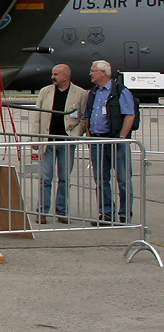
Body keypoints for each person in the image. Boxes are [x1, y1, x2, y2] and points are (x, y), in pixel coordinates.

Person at [30, 65, 87, 223]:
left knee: (64, 178)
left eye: (56, 74)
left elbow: (83, 118)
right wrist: (35, 139)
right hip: (48, 141)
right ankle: (42, 211)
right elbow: (37, 116)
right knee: (45, 177)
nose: (52, 77)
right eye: (52, 73)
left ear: (66, 76)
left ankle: (62, 211)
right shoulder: (45, 92)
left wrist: (75, 134)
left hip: (66, 142)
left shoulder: (81, 94)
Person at [84, 60, 136, 224]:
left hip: (114, 141)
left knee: (123, 179)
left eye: (93, 71)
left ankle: (125, 214)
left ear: (103, 73)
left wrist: (121, 137)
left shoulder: (121, 91)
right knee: (100, 180)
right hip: (97, 141)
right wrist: (89, 135)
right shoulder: (93, 93)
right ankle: (106, 214)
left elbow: (129, 114)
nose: (90, 74)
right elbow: (88, 114)